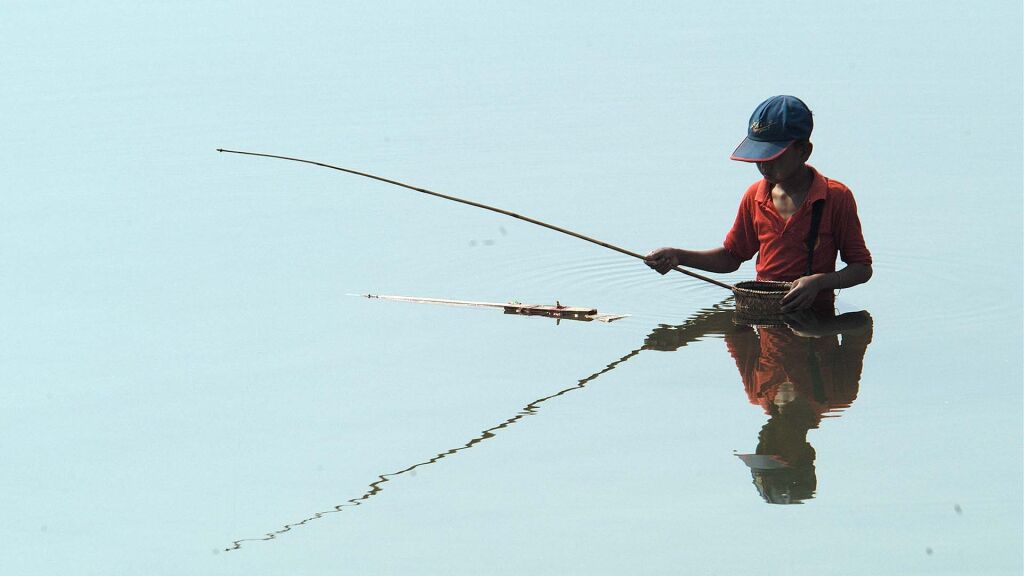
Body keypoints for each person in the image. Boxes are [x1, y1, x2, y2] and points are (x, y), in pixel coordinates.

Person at [645, 95, 872, 312]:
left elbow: (861, 268)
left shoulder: (835, 197)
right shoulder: (755, 196)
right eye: (758, 157)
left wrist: (820, 282)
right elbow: (731, 257)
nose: (764, 165)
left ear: (804, 151)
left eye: (773, 156)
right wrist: (678, 256)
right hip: (765, 317)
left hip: (817, 322)